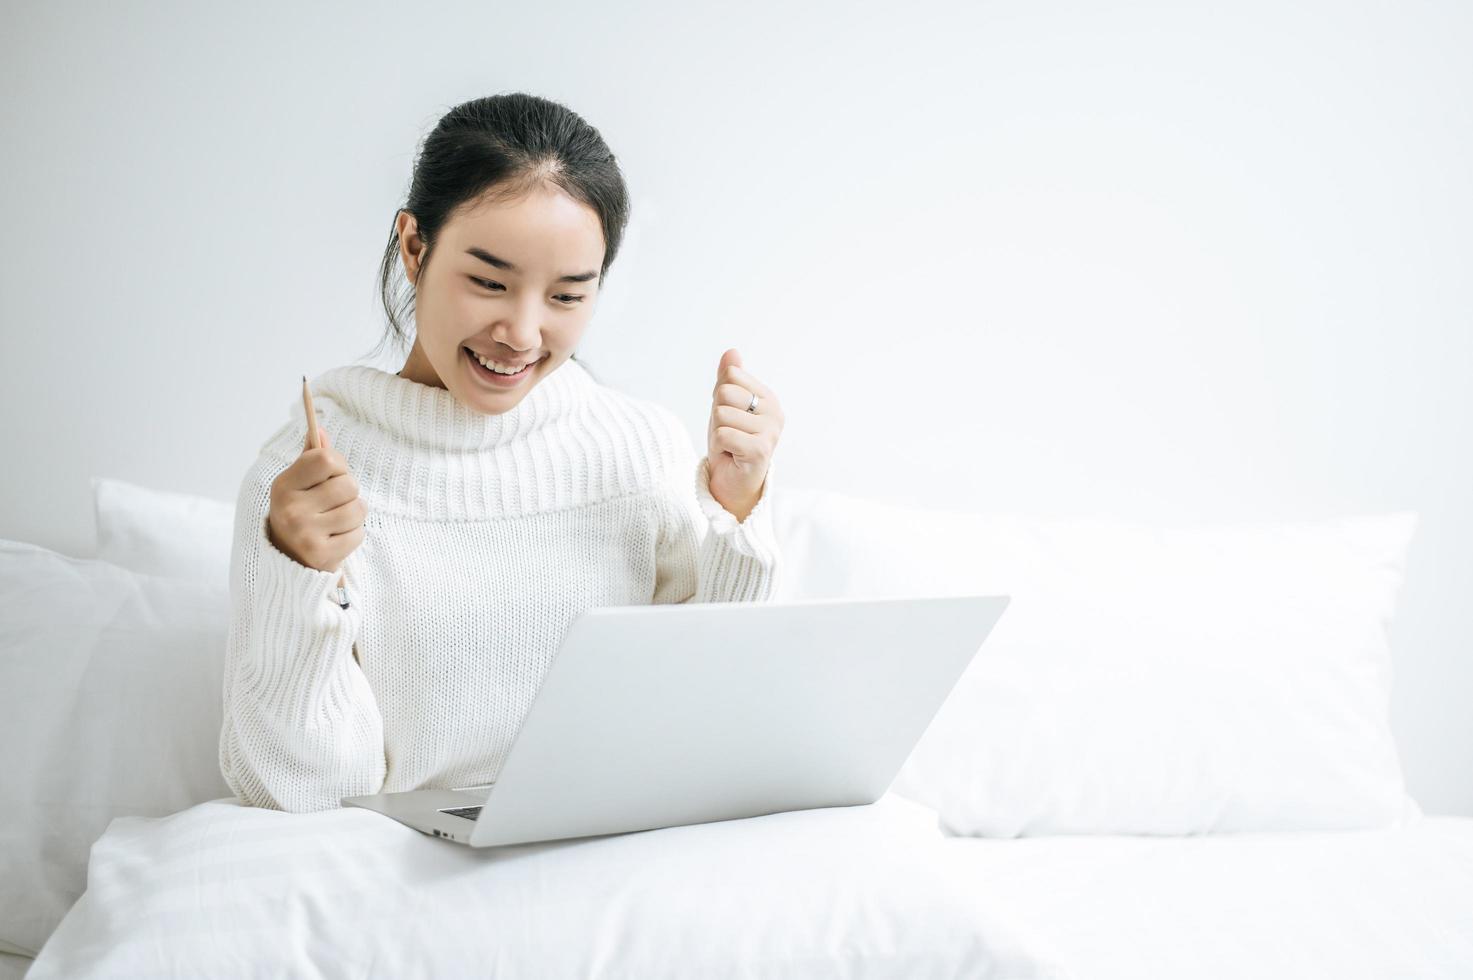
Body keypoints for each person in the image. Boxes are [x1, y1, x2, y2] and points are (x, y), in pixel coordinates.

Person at [218, 92, 786, 813]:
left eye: (567, 296)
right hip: (404, 874)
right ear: (414, 247)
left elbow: (709, 728)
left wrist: (735, 513)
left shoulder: (640, 449)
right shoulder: (301, 487)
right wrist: (296, 578)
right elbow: (303, 792)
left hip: (615, 857)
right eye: (488, 282)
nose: (521, 333)